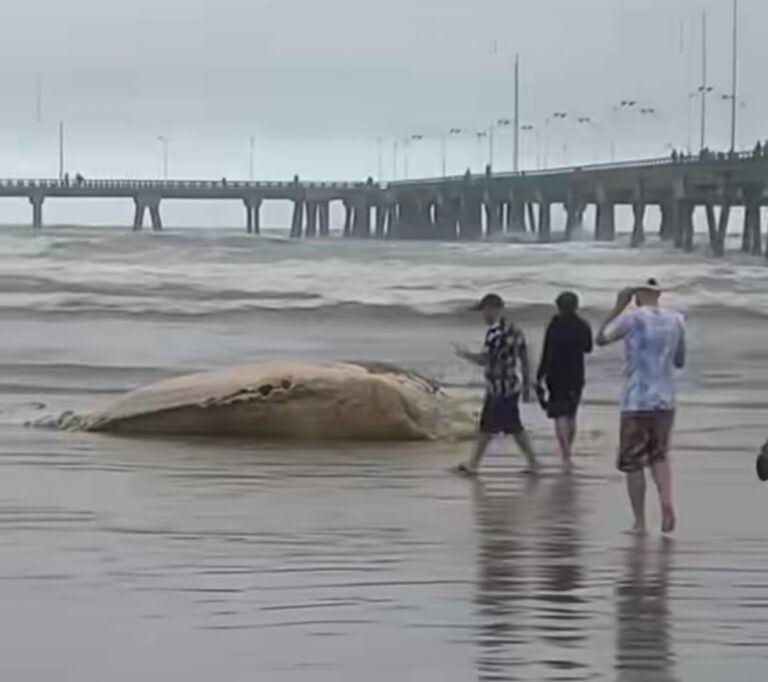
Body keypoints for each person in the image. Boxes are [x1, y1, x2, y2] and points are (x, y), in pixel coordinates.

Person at [596, 279, 686, 534]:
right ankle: (666, 503)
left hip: (636, 400)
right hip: (666, 400)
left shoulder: (632, 319)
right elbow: (679, 361)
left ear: (638, 295)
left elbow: (600, 339)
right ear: (658, 294)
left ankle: (640, 521)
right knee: (660, 456)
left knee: (634, 462)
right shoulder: (677, 319)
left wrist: (617, 307)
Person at [454, 293, 538, 476]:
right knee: (506, 427)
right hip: (511, 385)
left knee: (495, 428)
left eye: (484, 311)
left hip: (498, 388)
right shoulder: (515, 330)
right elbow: (524, 359)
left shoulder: (494, 332)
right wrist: (526, 384)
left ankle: (474, 465)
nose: (483, 316)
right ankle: (531, 463)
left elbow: (485, 360)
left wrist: (465, 355)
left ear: (493, 309)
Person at [536, 291, 593, 470]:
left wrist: (539, 374)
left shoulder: (554, 325)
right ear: (576, 306)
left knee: (559, 414)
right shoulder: (582, 325)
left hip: (555, 373)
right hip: (575, 374)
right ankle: (568, 452)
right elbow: (588, 348)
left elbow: (546, 350)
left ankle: (565, 453)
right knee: (571, 414)